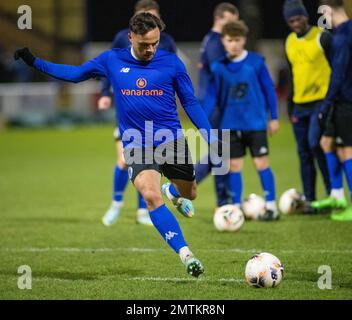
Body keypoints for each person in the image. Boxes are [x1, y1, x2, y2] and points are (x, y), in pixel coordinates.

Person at [14, 13, 220, 277]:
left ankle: (172, 190)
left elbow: (190, 102)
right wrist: (34, 62)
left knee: (190, 193)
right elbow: (75, 74)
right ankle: (186, 254)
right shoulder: (112, 60)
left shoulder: (171, 62)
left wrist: (210, 135)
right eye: (145, 44)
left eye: (155, 43)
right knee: (149, 195)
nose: (150, 49)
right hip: (136, 142)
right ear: (131, 36)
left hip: (172, 141)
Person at [98, 0, 177, 227]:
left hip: (156, 114)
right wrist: (105, 93)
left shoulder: (167, 42)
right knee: (124, 160)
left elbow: (171, 72)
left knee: (149, 164)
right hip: (129, 113)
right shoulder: (122, 38)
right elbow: (107, 68)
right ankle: (116, 203)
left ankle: (143, 210)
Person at [204, 21, 280, 221]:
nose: (234, 44)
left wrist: (274, 117)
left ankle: (272, 206)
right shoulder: (218, 67)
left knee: (262, 163)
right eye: (230, 40)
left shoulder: (256, 62)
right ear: (223, 41)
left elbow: (269, 90)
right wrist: (203, 118)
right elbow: (212, 96)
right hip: (229, 125)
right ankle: (236, 208)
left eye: (237, 40)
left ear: (244, 40)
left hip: (255, 123)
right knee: (234, 167)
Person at [284, 0, 332, 211]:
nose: (296, 23)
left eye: (299, 18)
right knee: (303, 153)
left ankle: (332, 193)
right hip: (299, 106)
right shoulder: (289, 42)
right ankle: (310, 200)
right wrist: (290, 107)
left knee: (316, 144)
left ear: (306, 17)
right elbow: (292, 77)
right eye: (291, 20)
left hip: (320, 102)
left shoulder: (323, 37)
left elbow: (337, 67)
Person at [195, 2, 239, 210]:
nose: (233, 28)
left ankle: (223, 201)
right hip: (214, 107)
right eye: (230, 23)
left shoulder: (211, 40)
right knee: (219, 153)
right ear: (219, 19)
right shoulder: (215, 43)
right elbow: (222, 75)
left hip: (213, 106)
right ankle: (183, 185)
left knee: (221, 154)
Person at [314, 0, 352, 221]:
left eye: (322, 14)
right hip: (343, 100)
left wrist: (326, 104)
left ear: (328, 11)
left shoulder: (341, 36)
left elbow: (337, 74)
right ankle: (337, 195)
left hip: (344, 101)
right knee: (327, 143)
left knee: (347, 151)